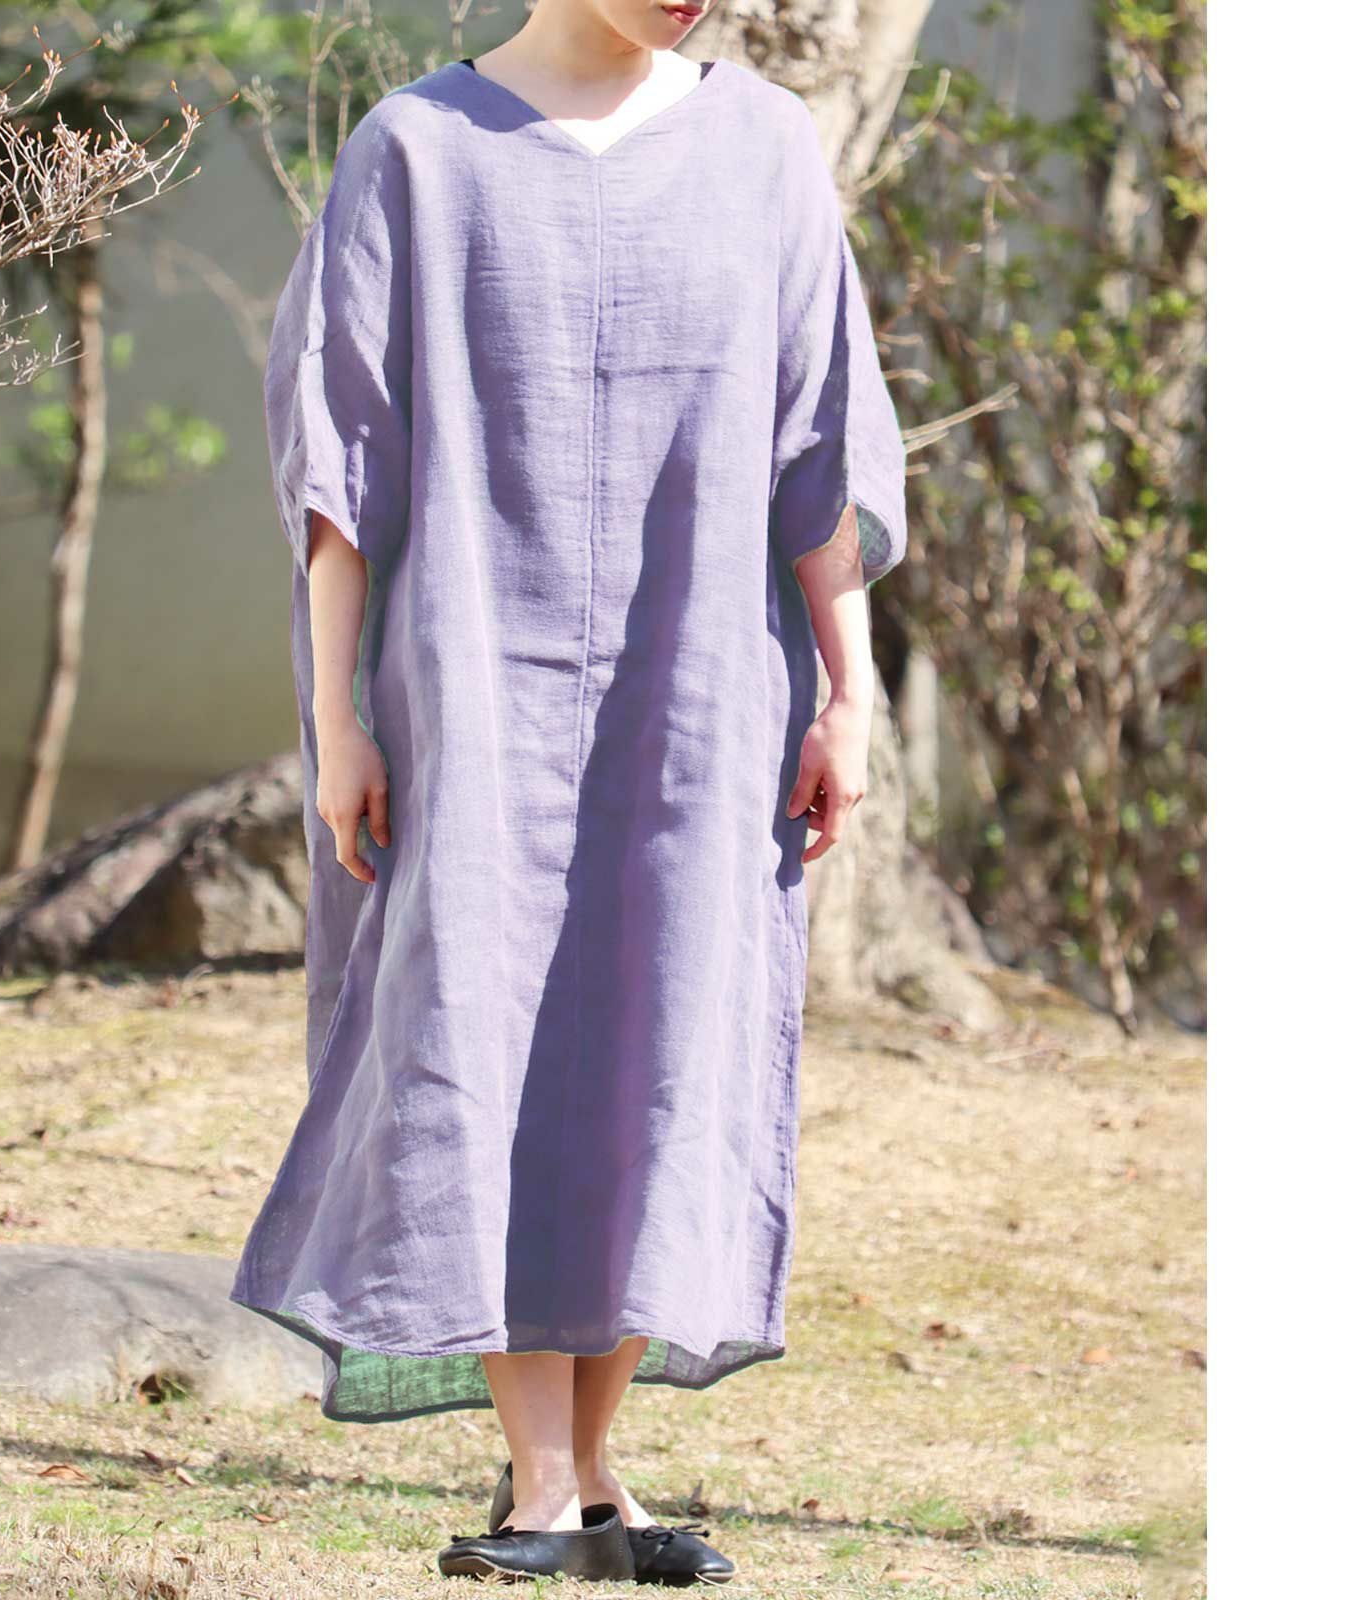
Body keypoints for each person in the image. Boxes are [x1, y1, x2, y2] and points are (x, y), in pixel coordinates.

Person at [230, 0, 908, 1583]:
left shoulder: (765, 147)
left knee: (663, 1039)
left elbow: (822, 448)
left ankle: (598, 1479)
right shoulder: (417, 152)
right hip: (470, 688)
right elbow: (343, 468)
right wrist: (335, 719)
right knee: (477, 1043)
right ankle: (540, 1480)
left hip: (706, 692)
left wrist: (850, 693)